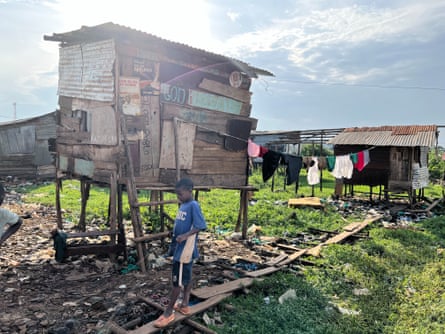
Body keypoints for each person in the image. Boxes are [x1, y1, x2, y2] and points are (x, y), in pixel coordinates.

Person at [153, 178, 207, 328]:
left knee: (176, 282)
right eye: (177, 194)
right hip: (180, 250)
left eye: (180, 194)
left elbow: (200, 226)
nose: (179, 197)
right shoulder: (184, 204)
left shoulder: (193, 205)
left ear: (189, 191)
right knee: (187, 277)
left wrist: (185, 236)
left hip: (184, 251)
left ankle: (168, 313)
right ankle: (184, 304)